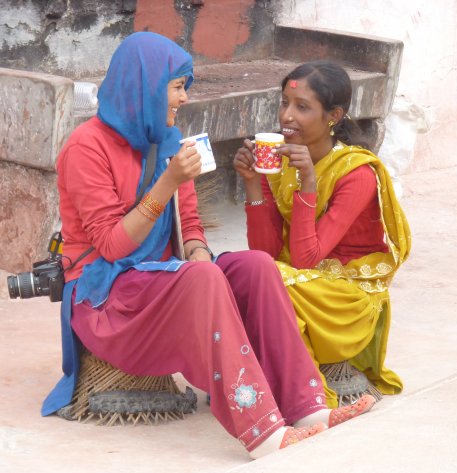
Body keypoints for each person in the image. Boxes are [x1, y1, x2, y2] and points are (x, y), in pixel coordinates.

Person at [41, 33, 375, 459]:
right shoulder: (86, 147)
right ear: (144, 87)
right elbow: (109, 246)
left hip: (159, 283)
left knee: (255, 266)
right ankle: (262, 432)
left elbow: (191, 226)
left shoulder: (166, 138)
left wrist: (199, 251)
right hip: (107, 296)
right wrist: (168, 182)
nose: (183, 99)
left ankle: (308, 409)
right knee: (200, 277)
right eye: (177, 87)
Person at [233, 60, 411, 409]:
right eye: (284, 102)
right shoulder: (280, 161)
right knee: (239, 271)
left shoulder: (356, 174)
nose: (287, 116)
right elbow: (267, 252)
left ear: (333, 116)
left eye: (302, 107)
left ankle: (290, 387)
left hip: (347, 298)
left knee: (265, 282)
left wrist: (308, 186)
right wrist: (253, 181)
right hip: (304, 282)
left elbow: (304, 258)